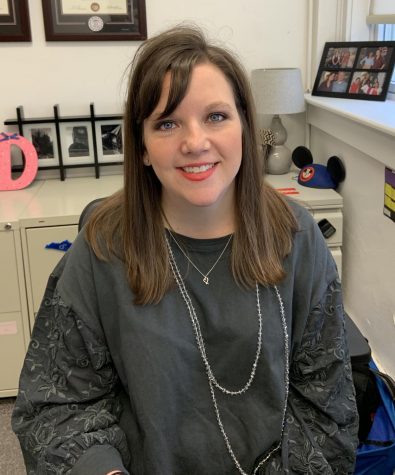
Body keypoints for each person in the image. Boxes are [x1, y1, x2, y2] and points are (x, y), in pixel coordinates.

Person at [12, 25, 359, 475]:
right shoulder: (101, 251)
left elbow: (326, 404)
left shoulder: (297, 239)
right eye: (168, 122)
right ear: (142, 148)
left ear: (244, 127)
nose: (195, 142)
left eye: (216, 116)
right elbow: (55, 409)